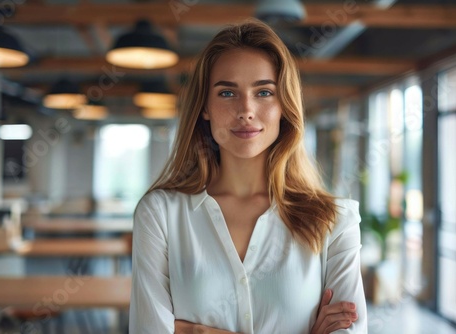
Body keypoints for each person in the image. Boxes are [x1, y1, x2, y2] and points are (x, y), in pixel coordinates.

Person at [129, 18, 367, 334]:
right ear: (205, 107)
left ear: (285, 104)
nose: (246, 110)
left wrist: (194, 330)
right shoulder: (159, 214)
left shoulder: (335, 221)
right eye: (227, 93)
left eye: (264, 92)